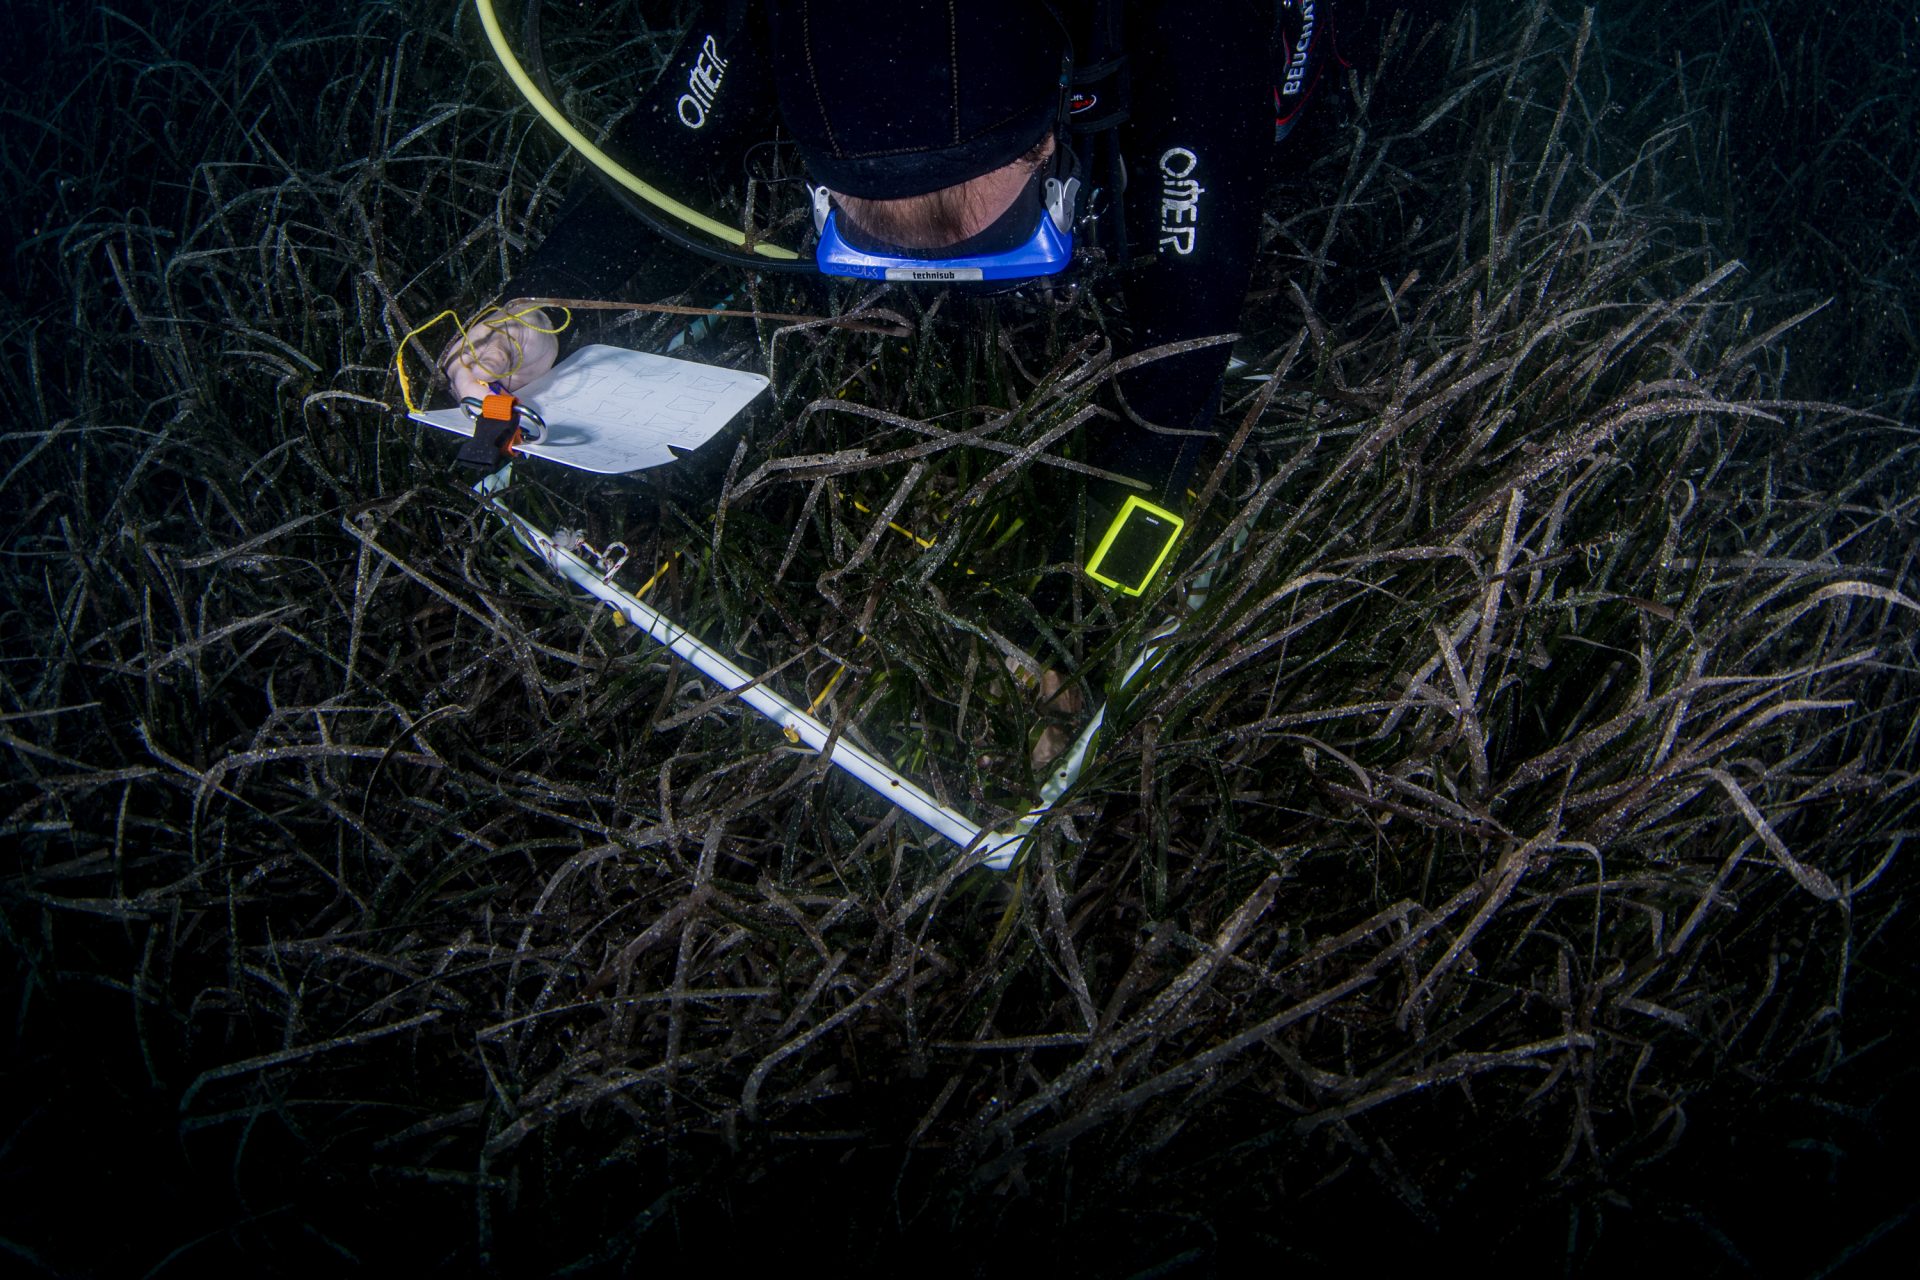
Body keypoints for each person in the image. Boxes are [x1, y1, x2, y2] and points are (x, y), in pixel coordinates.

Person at [445, 0, 1349, 598]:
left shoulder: (1194, 24)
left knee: (1309, 120)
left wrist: (1088, 609)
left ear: (1049, 141)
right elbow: (661, 151)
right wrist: (536, 308)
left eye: (1001, 238)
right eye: (866, 229)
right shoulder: (777, 9)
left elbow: (1186, 341)